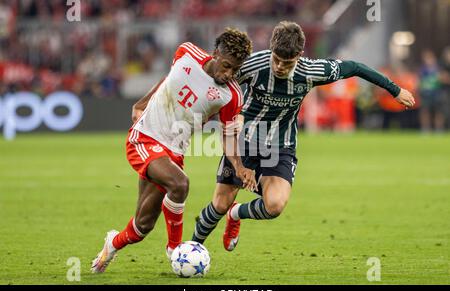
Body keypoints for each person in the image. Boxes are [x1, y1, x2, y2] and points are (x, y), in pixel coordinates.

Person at [191, 21, 416, 251]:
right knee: (219, 203)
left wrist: (395, 90)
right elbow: (218, 86)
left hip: (280, 146)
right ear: (271, 47)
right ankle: (191, 248)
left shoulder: (311, 71)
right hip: (244, 141)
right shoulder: (252, 64)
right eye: (276, 58)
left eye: (286, 63)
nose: (279, 66)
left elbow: (356, 67)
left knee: (275, 205)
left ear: (299, 55)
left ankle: (236, 213)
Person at [91, 28, 257, 273]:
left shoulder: (231, 95)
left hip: (173, 152)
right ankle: (175, 251)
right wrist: (142, 102)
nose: (229, 73)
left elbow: (229, 134)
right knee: (180, 185)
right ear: (215, 53)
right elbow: (168, 80)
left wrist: (240, 167)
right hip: (145, 137)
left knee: (142, 226)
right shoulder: (186, 52)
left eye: (235, 69)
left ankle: (112, 244)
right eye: (226, 65)